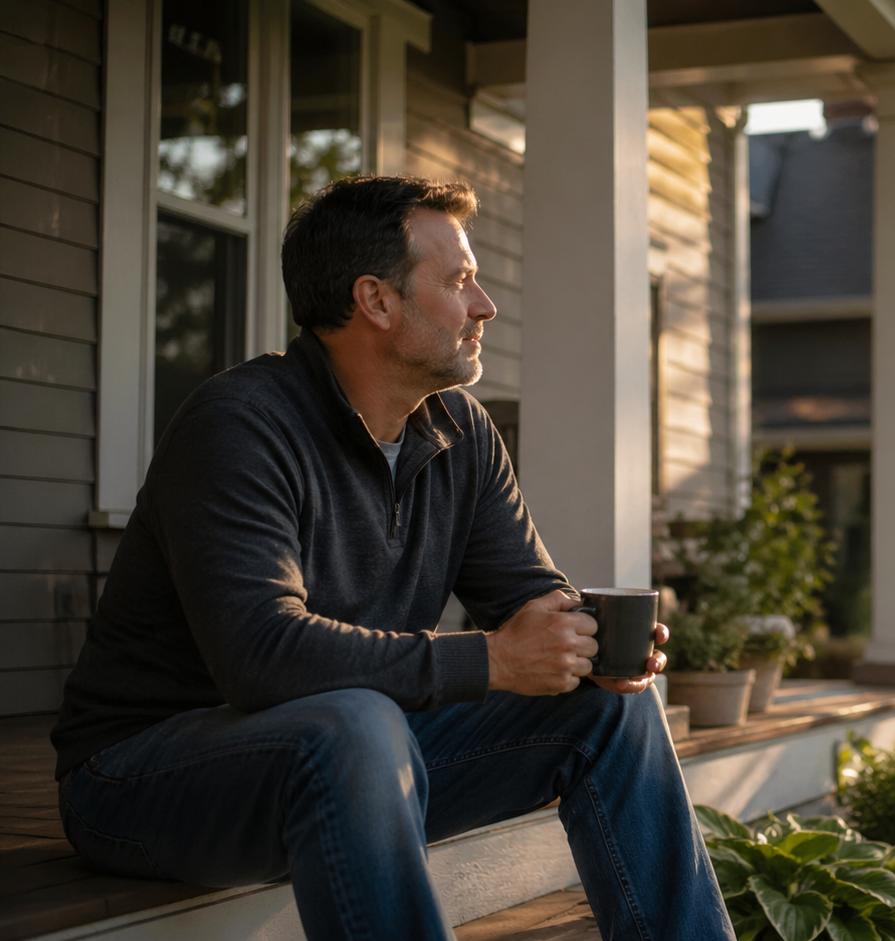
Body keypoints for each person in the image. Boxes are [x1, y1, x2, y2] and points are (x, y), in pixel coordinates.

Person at [50, 176, 734, 940]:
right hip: (144, 777)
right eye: (458, 281)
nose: (484, 305)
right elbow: (260, 656)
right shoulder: (239, 425)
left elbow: (529, 597)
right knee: (355, 723)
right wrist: (493, 660)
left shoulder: (459, 433)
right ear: (376, 301)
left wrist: (591, 644)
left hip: (363, 762)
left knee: (614, 707)